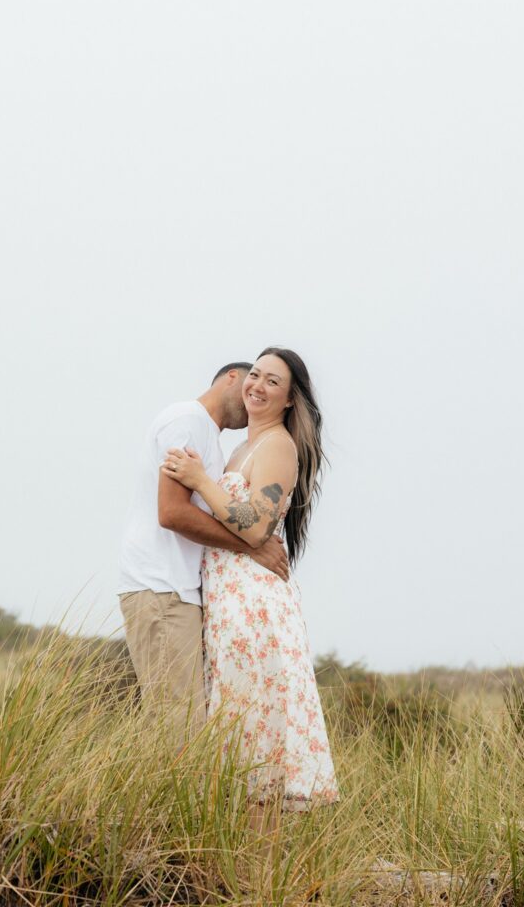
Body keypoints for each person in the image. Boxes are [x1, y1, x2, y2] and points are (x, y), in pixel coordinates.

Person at [161, 347, 340, 831]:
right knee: (240, 736)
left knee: (257, 741)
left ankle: (263, 876)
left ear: (288, 400)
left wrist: (200, 479)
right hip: (230, 607)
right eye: (254, 374)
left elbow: (256, 526)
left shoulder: (278, 446)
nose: (257, 385)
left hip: (254, 609)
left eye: (272, 381)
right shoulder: (242, 448)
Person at [117, 362, 290, 747]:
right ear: (232, 377)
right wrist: (253, 546)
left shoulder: (211, 441)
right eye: (251, 383)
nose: (254, 399)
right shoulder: (187, 420)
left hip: (179, 593)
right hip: (161, 588)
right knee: (175, 728)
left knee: (182, 724)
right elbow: (172, 512)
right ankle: (152, 808)